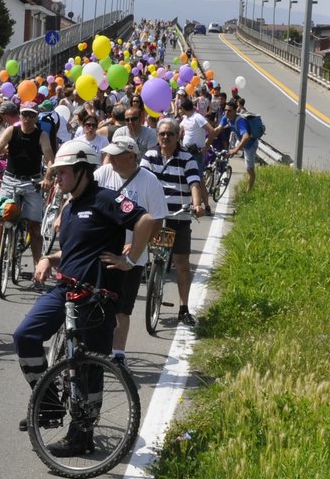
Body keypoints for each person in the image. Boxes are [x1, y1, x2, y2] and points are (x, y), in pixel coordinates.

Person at [11, 139, 155, 455]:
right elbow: (76, 251)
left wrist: (131, 259)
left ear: (81, 171)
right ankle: (48, 406)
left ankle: (82, 437)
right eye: (56, 173)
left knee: (88, 369)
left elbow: (145, 221)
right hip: (65, 288)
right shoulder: (70, 205)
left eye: (62, 173)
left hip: (96, 295)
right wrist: (50, 259)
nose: (57, 179)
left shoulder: (106, 199)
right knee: (25, 336)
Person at [95, 129, 168, 357]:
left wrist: (138, 244)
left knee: (122, 310)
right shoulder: (103, 173)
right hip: (102, 251)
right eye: (110, 155)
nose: (111, 159)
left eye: (116, 155)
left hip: (132, 258)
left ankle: (118, 355)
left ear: (131, 156)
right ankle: (94, 350)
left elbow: (157, 219)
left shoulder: (149, 181)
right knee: (95, 302)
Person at [145, 118, 209, 326]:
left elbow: (194, 183)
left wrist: (197, 205)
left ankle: (184, 308)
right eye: (162, 134)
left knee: (182, 264)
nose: (165, 137)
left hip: (178, 217)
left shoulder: (187, 158)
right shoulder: (150, 156)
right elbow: (142, 180)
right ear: (157, 136)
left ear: (177, 136)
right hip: (155, 216)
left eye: (170, 134)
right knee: (140, 253)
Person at [0, 102, 55, 276]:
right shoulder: (11, 131)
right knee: (2, 222)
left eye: (32, 115)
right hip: (10, 180)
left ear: (36, 117)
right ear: (20, 115)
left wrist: (47, 178)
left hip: (32, 182)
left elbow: (49, 159)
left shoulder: (41, 135)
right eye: (25, 114)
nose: (27, 119)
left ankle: (37, 270)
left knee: (34, 227)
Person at [227, 97, 261, 192]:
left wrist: (236, 150)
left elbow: (246, 137)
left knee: (249, 169)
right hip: (241, 141)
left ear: (234, 111)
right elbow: (218, 128)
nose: (226, 112)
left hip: (250, 145)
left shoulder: (240, 121)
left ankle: (249, 191)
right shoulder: (228, 118)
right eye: (225, 110)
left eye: (229, 110)